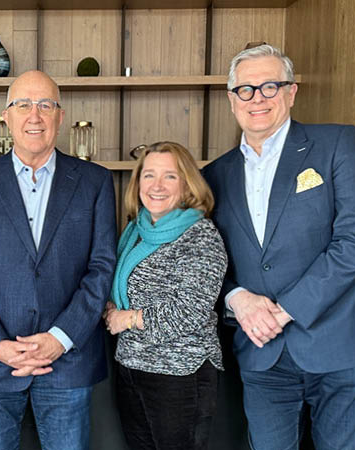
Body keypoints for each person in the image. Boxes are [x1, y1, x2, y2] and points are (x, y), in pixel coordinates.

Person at [202, 44, 355, 450]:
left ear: (291, 92)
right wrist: (237, 298)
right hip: (262, 352)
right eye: (245, 89)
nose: (257, 98)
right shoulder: (214, 175)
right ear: (231, 99)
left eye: (270, 86)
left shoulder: (338, 143)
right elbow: (206, 259)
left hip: (343, 342)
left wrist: (286, 309)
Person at [0, 70, 117, 450]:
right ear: (6, 116)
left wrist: (60, 338)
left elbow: (101, 267)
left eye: (45, 105)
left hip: (67, 360)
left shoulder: (95, 181)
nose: (34, 115)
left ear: (60, 116)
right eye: (23, 105)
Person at [103, 141, 227, 450]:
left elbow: (191, 310)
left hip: (179, 373)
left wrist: (128, 319)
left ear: (187, 184)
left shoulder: (200, 235)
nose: (156, 186)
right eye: (149, 175)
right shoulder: (136, 231)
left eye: (169, 176)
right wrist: (110, 309)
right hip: (132, 366)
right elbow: (122, 289)